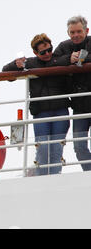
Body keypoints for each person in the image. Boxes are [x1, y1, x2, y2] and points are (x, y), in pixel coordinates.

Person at [3, 33, 70, 175]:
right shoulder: (31, 63)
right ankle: (41, 177)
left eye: (50, 50)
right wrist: (17, 64)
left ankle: (54, 177)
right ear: (35, 52)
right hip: (41, 112)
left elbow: (72, 61)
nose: (48, 54)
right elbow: (5, 72)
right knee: (43, 147)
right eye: (43, 52)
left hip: (60, 110)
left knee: (57, 148)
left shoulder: (59, 60)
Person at [52, 15, 91, 171]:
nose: (75, 35)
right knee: (79, 147)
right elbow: (52, 61)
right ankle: (89, 174)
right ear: (68, 33)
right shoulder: (64, 47)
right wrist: (69, 59)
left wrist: (85, 59)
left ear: (86, 31)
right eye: (72, 32)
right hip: (79, 106)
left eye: (78, 31)